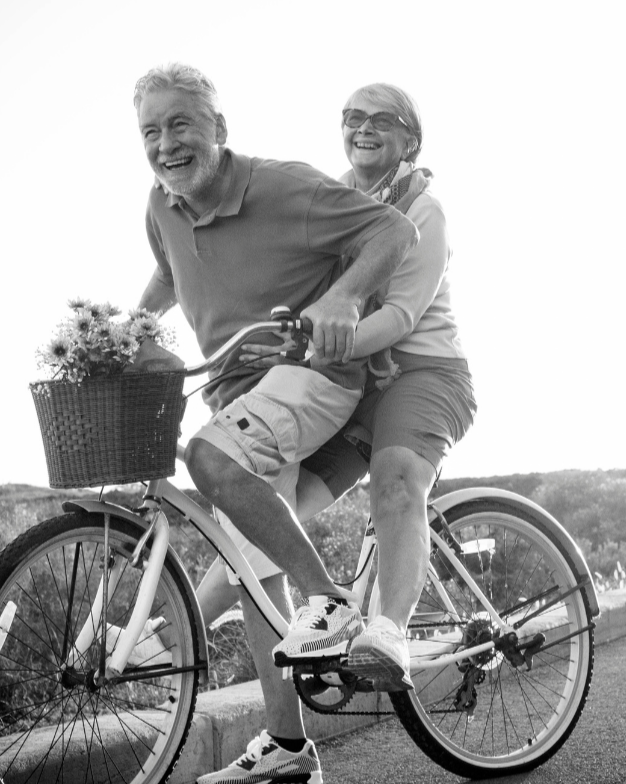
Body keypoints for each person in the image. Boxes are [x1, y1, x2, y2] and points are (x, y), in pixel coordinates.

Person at [130, 64, 417, 784]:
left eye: (181, 125)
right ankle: (290, 749)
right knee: (255, 572)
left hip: (313, 376)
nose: (166, 144)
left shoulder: (283, 187)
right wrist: (132, 326)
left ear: (219, 130)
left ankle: (332, 601)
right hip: (240, 392)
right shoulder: (162, 206)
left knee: (208, 459)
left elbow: (394, 228)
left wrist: (347, 296)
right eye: (151, 131)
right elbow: (171, 270)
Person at [193, 82, 476, 784]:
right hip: (354, 385)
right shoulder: (339, 198)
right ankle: (181, 638)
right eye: (352, 118)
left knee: (395, 483)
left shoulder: (424, 211)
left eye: (382, 120)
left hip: (422, 375)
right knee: (263, 520)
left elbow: (398, 318)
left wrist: (316, 348)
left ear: (411, 140)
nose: (363, 128)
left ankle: (389, 630)